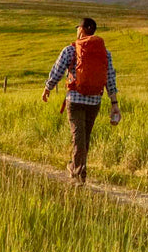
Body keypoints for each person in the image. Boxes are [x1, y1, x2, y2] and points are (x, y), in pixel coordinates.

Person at [41, 17, 120, 184]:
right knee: (84, 137)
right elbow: (110, 77)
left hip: (75, 100)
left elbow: (57, 70)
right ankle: (77, 168)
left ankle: (78, 175)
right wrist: (114, 103)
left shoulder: (70, 50)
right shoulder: (105, 53)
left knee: (78, 137)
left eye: (78, 28)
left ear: (82, 30)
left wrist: (47, 88)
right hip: (94, 101)